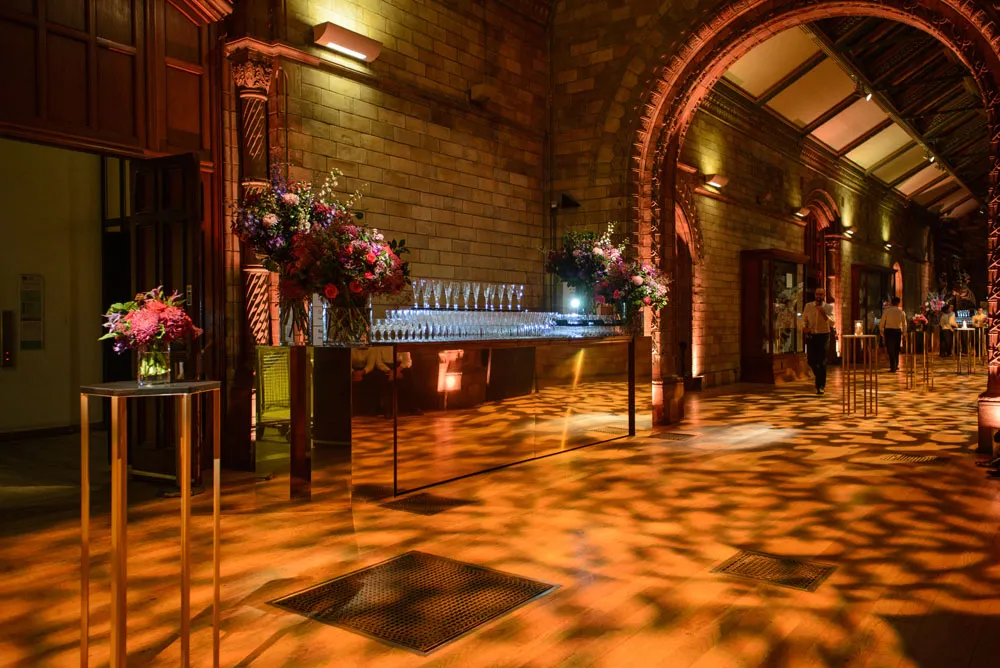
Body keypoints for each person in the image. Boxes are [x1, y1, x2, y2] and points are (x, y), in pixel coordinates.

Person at [801, 288, 834, 395]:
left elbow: (832, 323)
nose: (819, 296)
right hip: (811, 335)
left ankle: (821, 385)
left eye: (821, 294)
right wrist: (804, 327)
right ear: (815, 295)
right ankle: (819, 376)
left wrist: (824, 314)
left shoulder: (828, 307)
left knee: (822, 361)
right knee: (811, 360)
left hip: (824, 335)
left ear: (824, 296)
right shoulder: (808, 306)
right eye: (817, 294)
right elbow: (804, 319)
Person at [880, 297, 906, 372]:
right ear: (898, 303)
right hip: (897, 331)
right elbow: (904, 324)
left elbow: (882, 321)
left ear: (891, 302)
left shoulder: (887, 311)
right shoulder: (901, 312)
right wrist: (904, 333)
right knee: (896, 348)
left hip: (889, 331)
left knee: (890, 349)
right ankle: (896, 365)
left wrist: (881, 330)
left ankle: (893, 366)